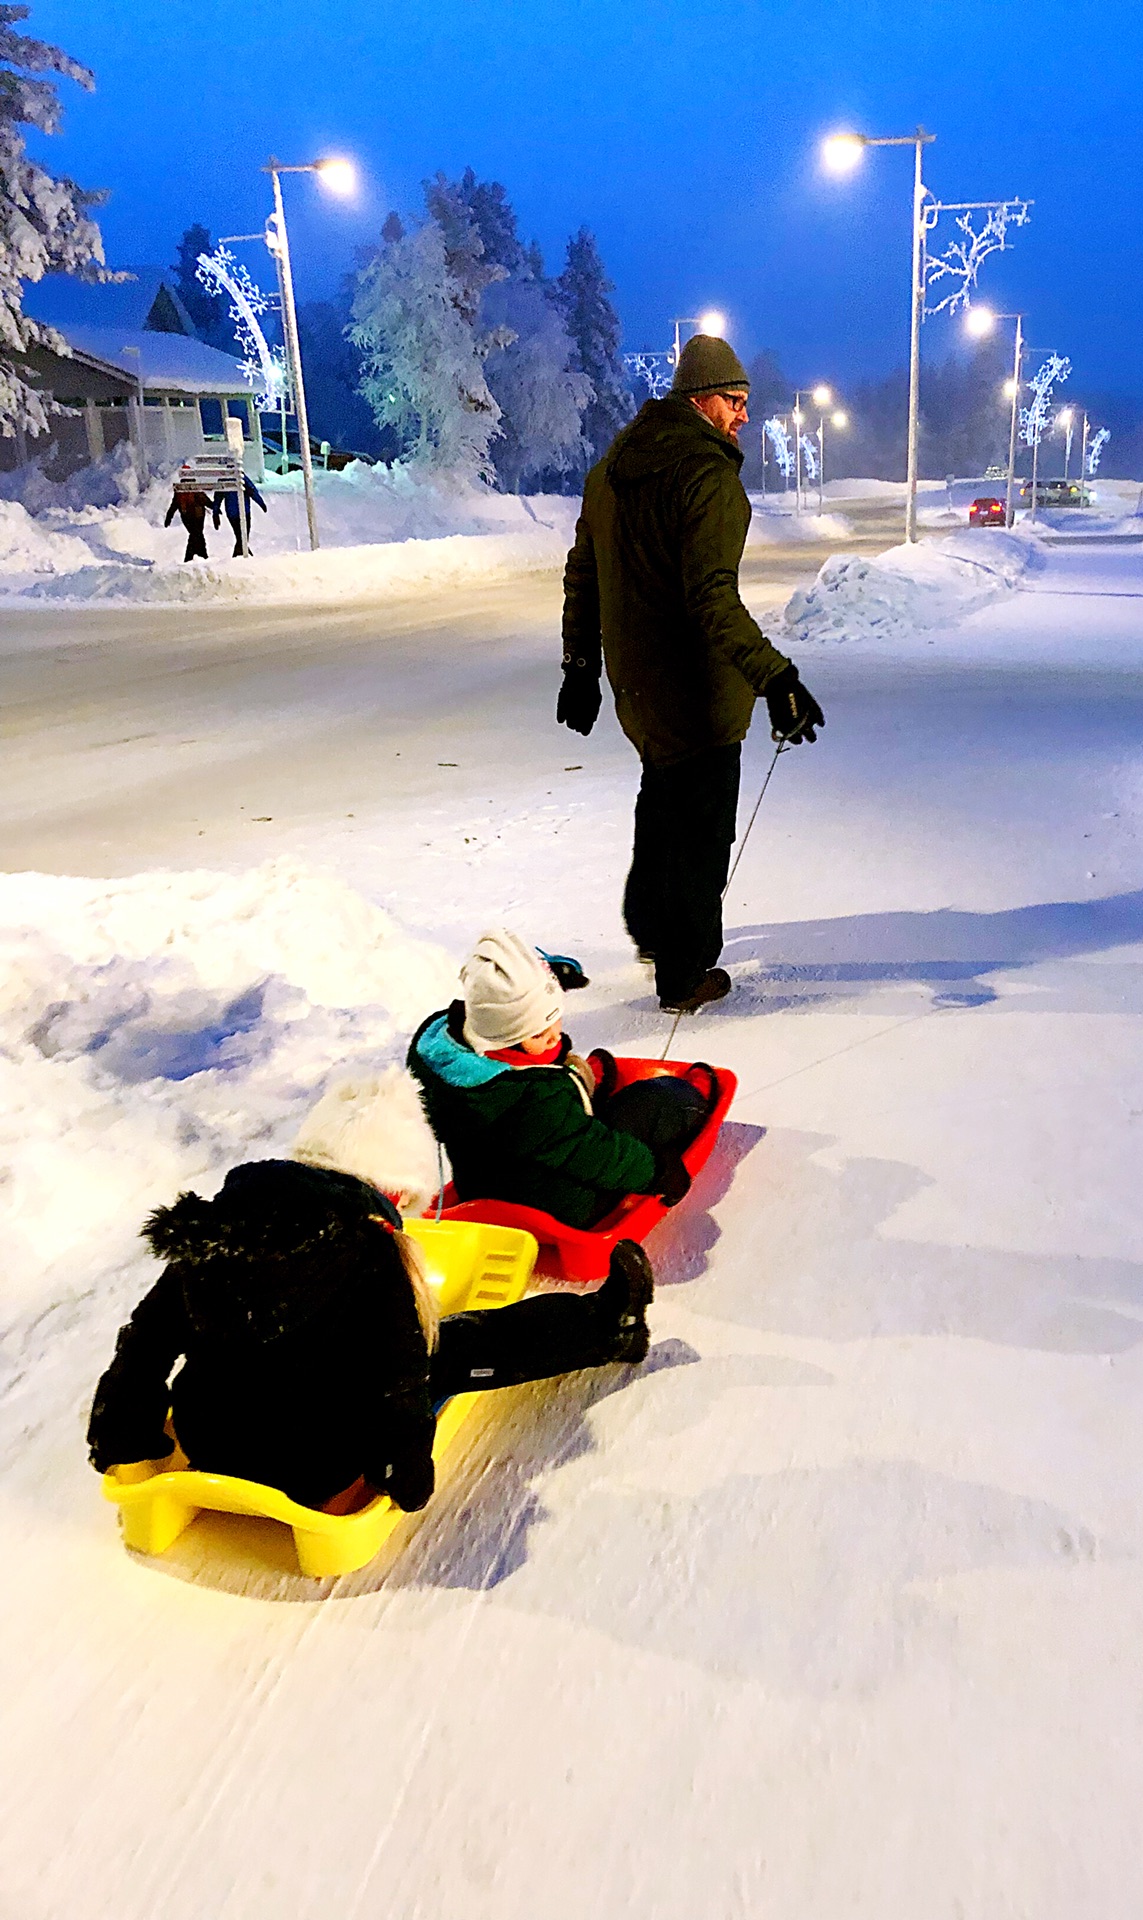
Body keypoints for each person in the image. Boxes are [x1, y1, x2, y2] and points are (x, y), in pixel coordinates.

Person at [86, 1157, 655, 1517]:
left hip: (210, 1439)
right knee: (456, 1346)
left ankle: (606, 1327)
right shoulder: (365, 1254)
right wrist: (400, 1464)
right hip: (317, 1466)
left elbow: (144, 1345)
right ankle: (609, 1328)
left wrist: (119, 1433)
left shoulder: (204, 1247)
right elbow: (398, 1376)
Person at [559, 333, 825, 1015]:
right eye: (734, 402)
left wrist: (582, 665)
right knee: (702, 830)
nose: (742, 416)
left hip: (637, 686)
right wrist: (776, 678)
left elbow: (583, 570)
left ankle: (652, 928)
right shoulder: (706, 477)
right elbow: (712, 597)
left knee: (664, 797)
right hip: (697, 689)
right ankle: (684, 973)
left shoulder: (614, 464)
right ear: (701, 401)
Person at [407, 928, 703, 1228]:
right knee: (657, 1101)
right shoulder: (527, 1098)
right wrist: (657, 1172)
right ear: (503, 1037)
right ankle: (689, 1103)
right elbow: (595, 1154)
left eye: (555, 1018)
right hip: (563, 1203)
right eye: (537, 1032)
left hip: (484, 1186)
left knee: (556, 1115)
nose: (554, 1037)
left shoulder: (447, 1056)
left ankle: (578, 1086)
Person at [213, 471, 268, 557]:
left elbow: (218, 497)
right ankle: (242, 558)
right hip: (244, 512)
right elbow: (252, 490)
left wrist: (215, 513)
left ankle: (240, 556)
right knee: (243, 538)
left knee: (240, 537)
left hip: (232, 513)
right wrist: (261, 503)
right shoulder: (241, 477)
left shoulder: (224, 480)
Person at [164, 484, 212, 562]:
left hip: (187, 516)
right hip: (198, 515)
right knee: (197, 535)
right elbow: (204, 499)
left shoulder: (180, 490)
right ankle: (199, 556)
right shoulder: (193, 488)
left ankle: (193, 557)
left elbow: (174, 503)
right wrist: (214, 506)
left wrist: (169, 516)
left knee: (195, 535)